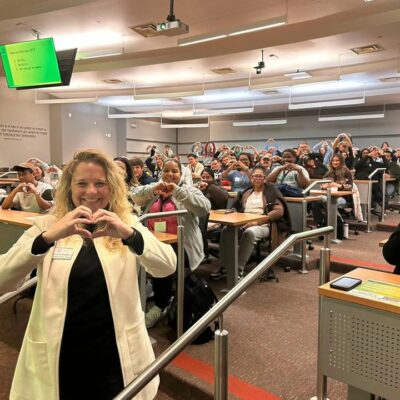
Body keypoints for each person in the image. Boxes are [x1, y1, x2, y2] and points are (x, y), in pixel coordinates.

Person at [0, 149, 177, 400]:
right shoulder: (49, 226)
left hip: (115, 353)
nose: (91, 192)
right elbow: (3, 279)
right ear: (69, 188)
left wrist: (129, 235)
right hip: (61, 353)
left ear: (112, 187)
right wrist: (46, 239)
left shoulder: (127, 222)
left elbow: (167, 266)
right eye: (81, 184)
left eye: (100, 184)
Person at [132, 158, 211, 328]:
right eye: (166, 170)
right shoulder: (156, 189)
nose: (170, 174)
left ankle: (160, 305)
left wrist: (178, 192)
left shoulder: (188, 190)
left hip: (183, 246)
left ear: (181, 174)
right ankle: (139, 297)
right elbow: (135, 196)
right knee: (134, 256)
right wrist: (153, 189)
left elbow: (204, 207)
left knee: (163, 260)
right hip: (156, 242)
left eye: (174, 171)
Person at [210, 165, 291, 281]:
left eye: (260, 176)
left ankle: (237, 271)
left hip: (263, 225)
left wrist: (257, 222)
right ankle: (225, 266)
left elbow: (279, 211)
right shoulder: (247, 192)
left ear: (265, 178)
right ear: (251, 178)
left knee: (249, 233)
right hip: (243, 222)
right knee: (226, 231)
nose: (257, 179)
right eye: (255, 176)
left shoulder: (271, 191)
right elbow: (236, 208)